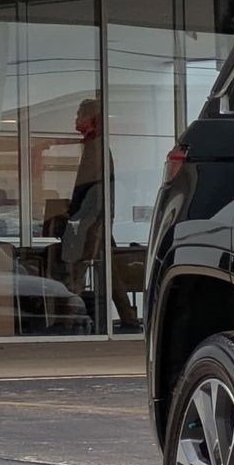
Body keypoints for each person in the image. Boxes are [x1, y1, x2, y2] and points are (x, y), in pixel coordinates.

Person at [59, 97, 136, 329]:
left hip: (92, 219)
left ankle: (73, 316)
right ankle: (127, 317)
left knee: (77, 266)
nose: (76, 119)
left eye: (79, 115)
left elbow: (88, 185)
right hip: (96, 217)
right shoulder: (96, 145)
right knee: (107, 268)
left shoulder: (97, 147)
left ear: (92, 119)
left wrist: (73, 212)